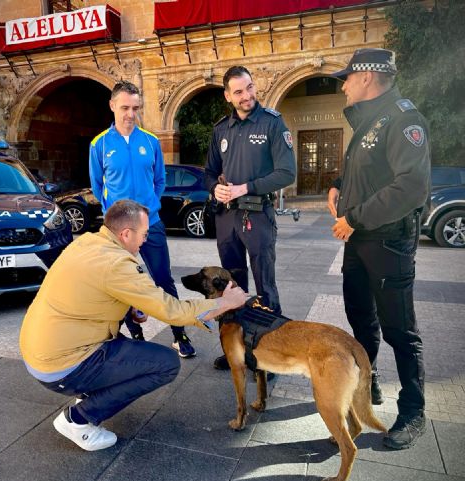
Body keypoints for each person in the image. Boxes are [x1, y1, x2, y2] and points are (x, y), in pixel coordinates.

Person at [19, 200, 247, 451]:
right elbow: (171, 310)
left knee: (129, 353)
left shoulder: (87, 242)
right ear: (126, 233)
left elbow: (93, 291)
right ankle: (78, 420)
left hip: (40, 352)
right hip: (62, 365)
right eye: (144, 234)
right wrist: (225, 303)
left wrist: (130, 307)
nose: (145, 241)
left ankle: (88, 392)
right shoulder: (118, 264)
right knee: (165, 364)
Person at [327, 48, 430, 450]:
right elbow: (367, 171)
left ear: (367, 77)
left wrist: (354, 218)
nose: (345, 85)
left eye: (347, 78)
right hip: (359, 243)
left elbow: (410, 187)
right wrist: (338, 183)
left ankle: (413, 411)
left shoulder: (404, 120)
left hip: (388, 243)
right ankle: (366, 388)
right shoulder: (371, 120)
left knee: (400, 331)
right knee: (362, 324)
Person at [88, 81, 197, 358]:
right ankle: (136, 336)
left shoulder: (150, 141)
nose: (130, 114)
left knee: (163, 280)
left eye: (135, 108)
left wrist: (147, 212)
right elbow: (98, 186)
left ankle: (179, 334)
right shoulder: (99, 145)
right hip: (117, 231)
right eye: (124, 107)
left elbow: (159, 180)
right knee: (121, 283)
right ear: (112, 106)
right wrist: (117, 217)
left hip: (151, 225)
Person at [204, 65, 296, 370]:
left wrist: (247, 187)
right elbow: (207, 174)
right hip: (227, 219)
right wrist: (215, 189)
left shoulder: (272, 122)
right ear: (228, 96)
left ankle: (272, 356)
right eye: (239, 91)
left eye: (250, 88)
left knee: (265, 286)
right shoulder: (220, 129)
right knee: (231, 286)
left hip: (257, 216)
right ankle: (236, 350)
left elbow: (287, 172)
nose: (247, 96)